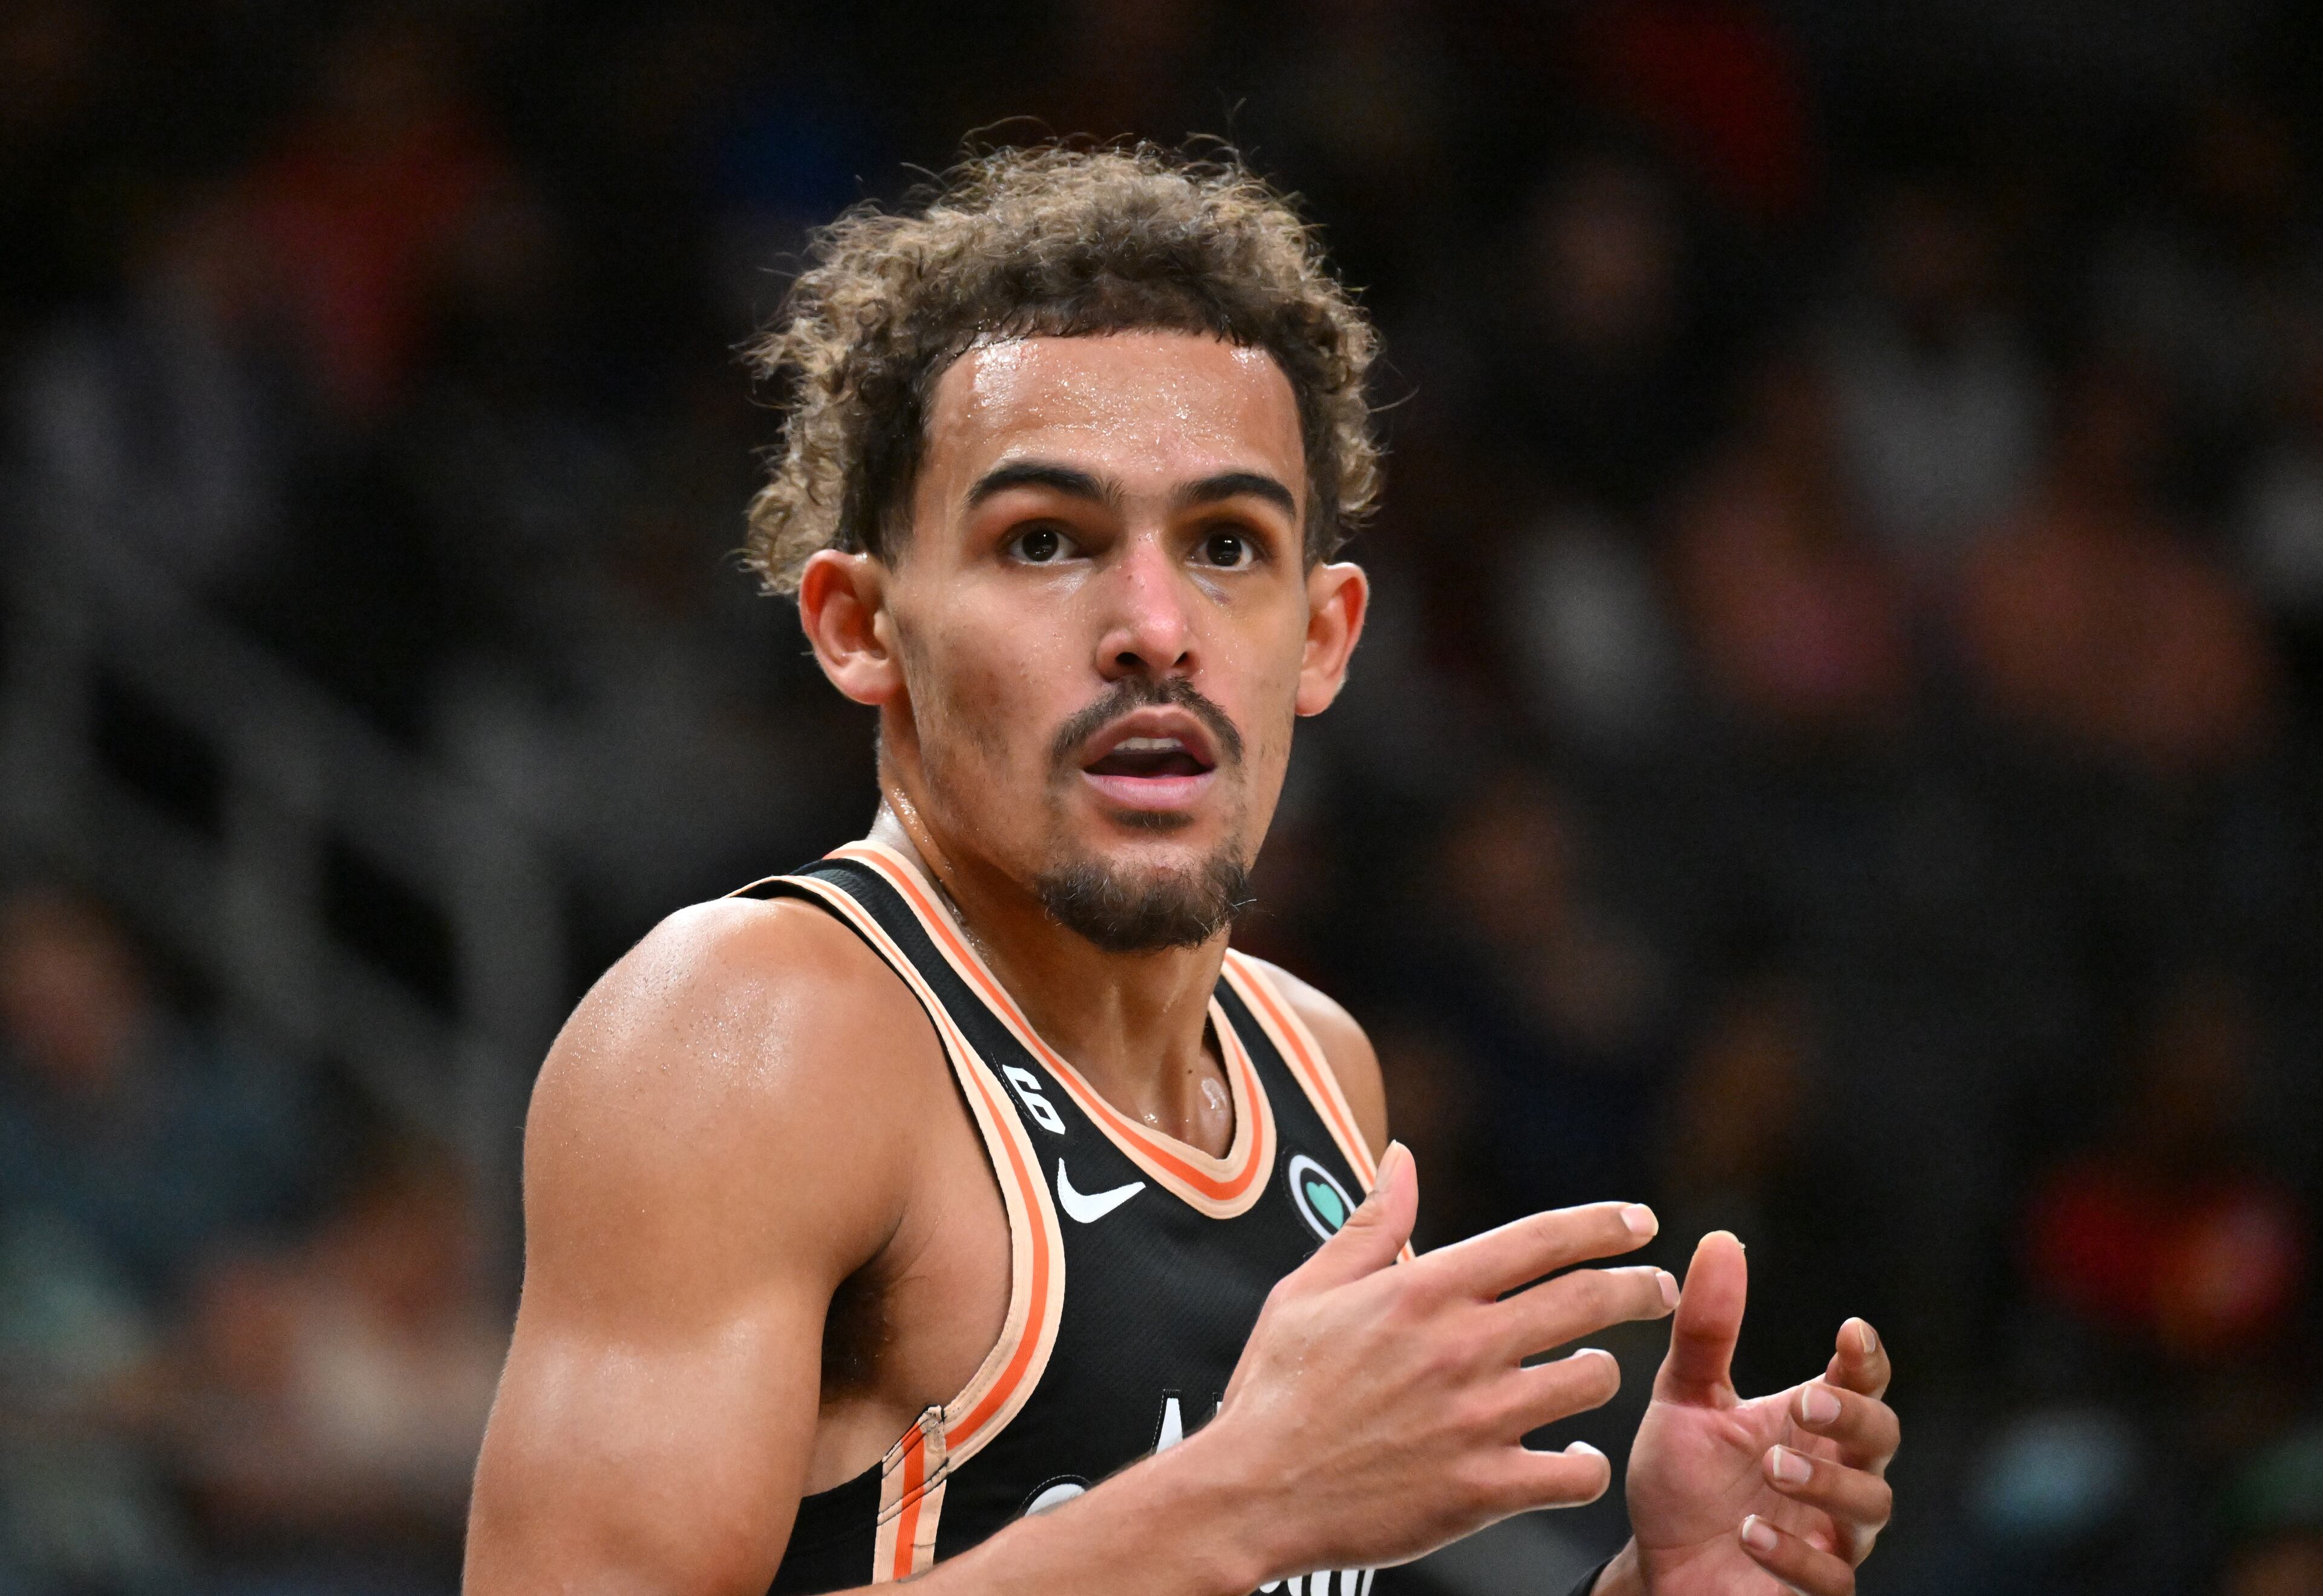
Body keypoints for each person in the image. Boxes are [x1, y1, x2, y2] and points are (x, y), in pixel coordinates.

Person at [464, 145, 1900, 1596]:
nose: (1155, 625)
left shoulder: (1318, 1068)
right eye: (1044, 540)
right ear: (861, 627)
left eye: (1226, 544)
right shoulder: (752, 1034)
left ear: (1323, 638)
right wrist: (1240, 1499)